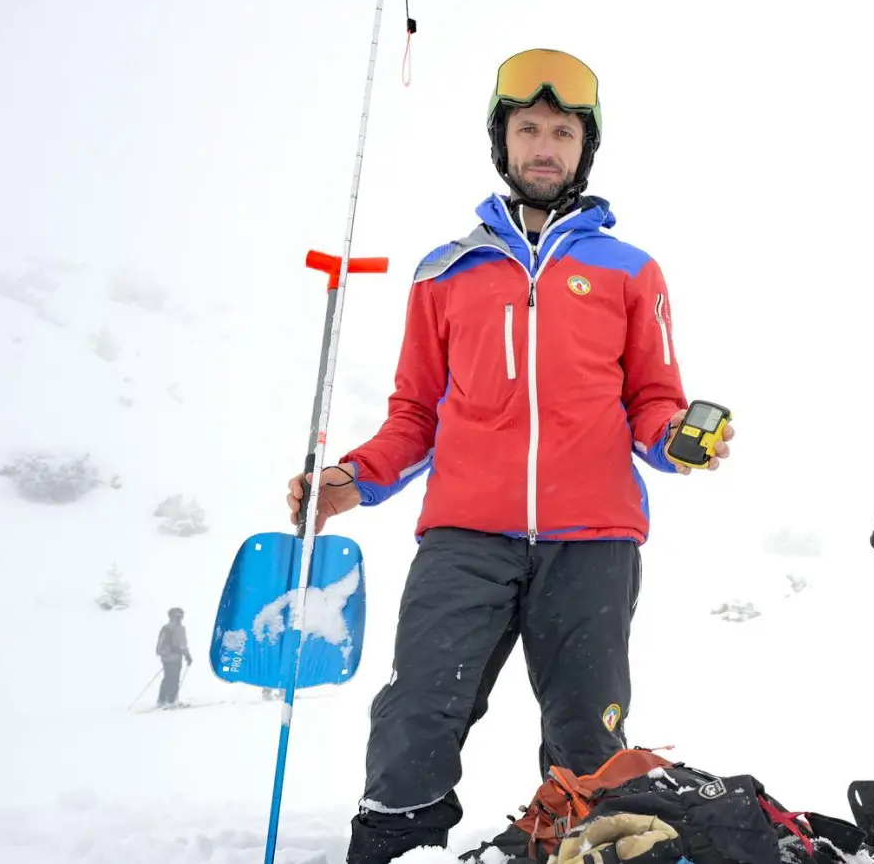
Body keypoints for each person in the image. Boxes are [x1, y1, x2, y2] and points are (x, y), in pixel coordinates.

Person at [281, 48, 735, 864]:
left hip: (593, 540)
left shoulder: (631, 271)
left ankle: (575, 850)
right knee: (417, 710)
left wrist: (676, 442)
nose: (544, 146)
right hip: (466, 536)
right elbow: (414, 414)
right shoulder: (445, 273)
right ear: (503, 141)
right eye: (528, 129)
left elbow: (653, 404)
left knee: (587, 737)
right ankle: (394, 847)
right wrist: (354, 478)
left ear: (585, 148)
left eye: (562, 132)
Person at [155, 607, 192, 708]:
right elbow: (182, 644)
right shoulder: (179, 628)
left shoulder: (166, 628)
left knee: (167, 678)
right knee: (174, 679)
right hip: (175, 656)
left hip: (165, 656)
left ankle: (162, 700)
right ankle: (171, 700)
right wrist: (187, 655)